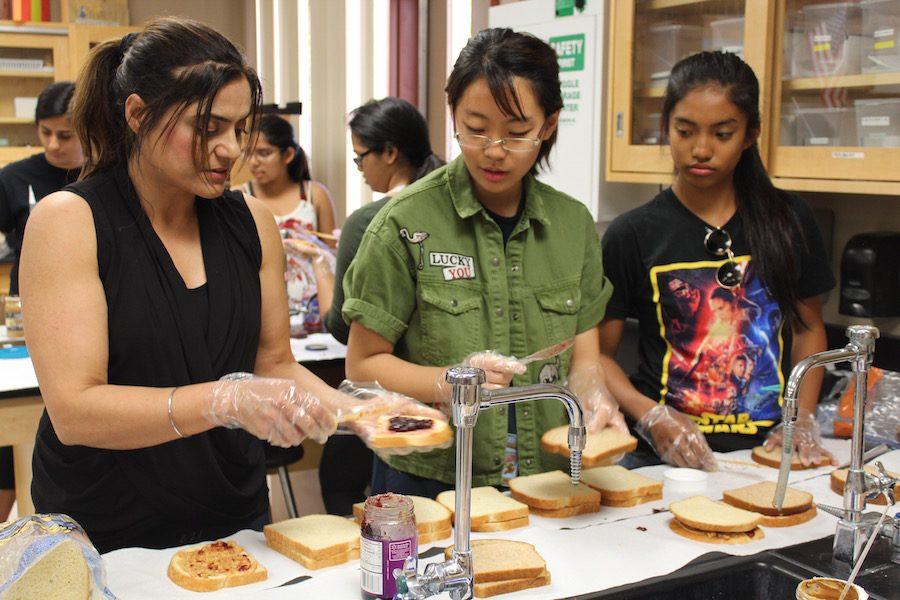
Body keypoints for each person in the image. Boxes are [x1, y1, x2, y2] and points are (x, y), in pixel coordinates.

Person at [18, 18, 436, 553]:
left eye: (240, 129)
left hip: (232, 511)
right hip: (110, 524)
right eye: (208, 127)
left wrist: (359, 413)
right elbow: (76, 411)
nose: (230, 149)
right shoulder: (71, 221)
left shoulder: (251, 222)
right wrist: (223, 399)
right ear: (138, 115)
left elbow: (275, 365)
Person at [343, 28, 625, 497]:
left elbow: (585, 358)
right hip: (430, 479)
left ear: (548, 126)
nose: (494, 150)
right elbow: (363, 364)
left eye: (516, 134)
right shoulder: (405, 223)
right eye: (475, 129)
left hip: (548, 478)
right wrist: (447, 382)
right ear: (451, 112)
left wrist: (593, 395)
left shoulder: (573, 226)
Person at [598, 51, 836, 471]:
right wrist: (650, 416)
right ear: (666, 128)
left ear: (749, 135)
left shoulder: (789, 220)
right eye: (685, 131)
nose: (701, 149)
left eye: (722, 134)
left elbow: (809, 329)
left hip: (768, 455)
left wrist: (800, 419)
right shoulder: (632, 234)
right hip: (664, 459)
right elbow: (596, 357)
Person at [294, 96, 444, 514]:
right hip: (472, 409)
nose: (360, 171)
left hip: (402, 407)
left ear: (391, 152)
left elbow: (341, 326)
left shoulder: (374, 220)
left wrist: (320, 263)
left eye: (360, 159)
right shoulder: (451, 203)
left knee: (345, 485)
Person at [0, 81, 83, 522]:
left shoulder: (103, 180)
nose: (53, 144)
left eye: (64, 135)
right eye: (44, 132)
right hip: (26, 315)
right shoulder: (15, 179)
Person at [243, 115, 336, 320]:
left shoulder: (314, 195)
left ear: (288, 155)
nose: (253, 162)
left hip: (312, 305)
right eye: (248, 153)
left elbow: (330, 254)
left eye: (263, 153)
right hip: (262, 305)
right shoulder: (240, 197)